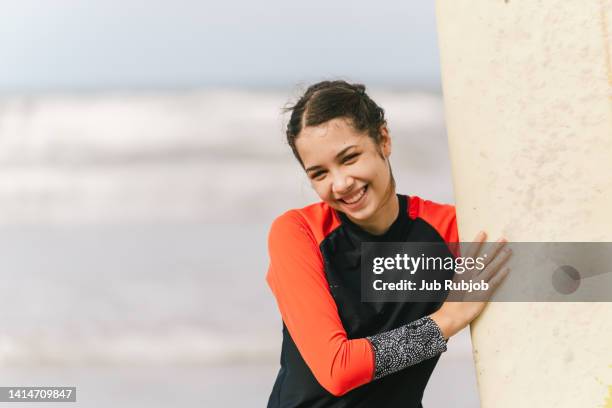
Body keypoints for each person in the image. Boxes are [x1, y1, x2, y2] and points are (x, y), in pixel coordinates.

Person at [265, 80, 511, 408]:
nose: (340, 184)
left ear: (383, 140)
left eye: (349, 158)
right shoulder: (299, 232)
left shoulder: (448, 230)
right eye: (319, 174)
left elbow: (571, 271)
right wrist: (448, 319)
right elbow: (336, 368)